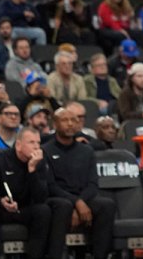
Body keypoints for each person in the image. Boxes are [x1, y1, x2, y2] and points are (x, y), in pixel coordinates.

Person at [43, 107, 117, 259]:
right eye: (65, 120)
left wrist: (81, 201)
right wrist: (76, 203)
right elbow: (50, 186)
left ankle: (101, 255)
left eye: (74, 120)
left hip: (84, 198)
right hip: (59, 199)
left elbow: (92, 184)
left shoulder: (87, 151)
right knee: (62, 206)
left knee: (106, 204)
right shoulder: (46, 150)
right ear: (55, 124)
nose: (70, 124)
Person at [0, 127, 66, 259]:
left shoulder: (39, 161)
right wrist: (0, 201)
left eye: (38, 143)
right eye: (31, 143)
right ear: (19, 145)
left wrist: (32, 170)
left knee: (43, 210)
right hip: (1, 208)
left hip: (25, 208)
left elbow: (41, 197)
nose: (37, 147)